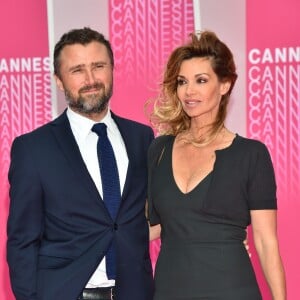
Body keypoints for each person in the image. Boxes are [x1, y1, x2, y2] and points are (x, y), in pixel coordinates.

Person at [7, 27, 154, 300]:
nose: (90, 79)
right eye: (77, 70)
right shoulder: (33, 149)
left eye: (99, 66)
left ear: (112, 69)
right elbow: (22, 241)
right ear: (59, 81)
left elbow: (153, 215)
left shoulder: (141, 137)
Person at [147, 30, 286, 299]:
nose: (189, 91)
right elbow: (154, 225)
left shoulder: (251, 154)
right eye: (182, 81)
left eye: (201, 80)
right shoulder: (159, 150)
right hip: (170, 290)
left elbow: (266, 243)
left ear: (224, 86)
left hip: (232, 289)